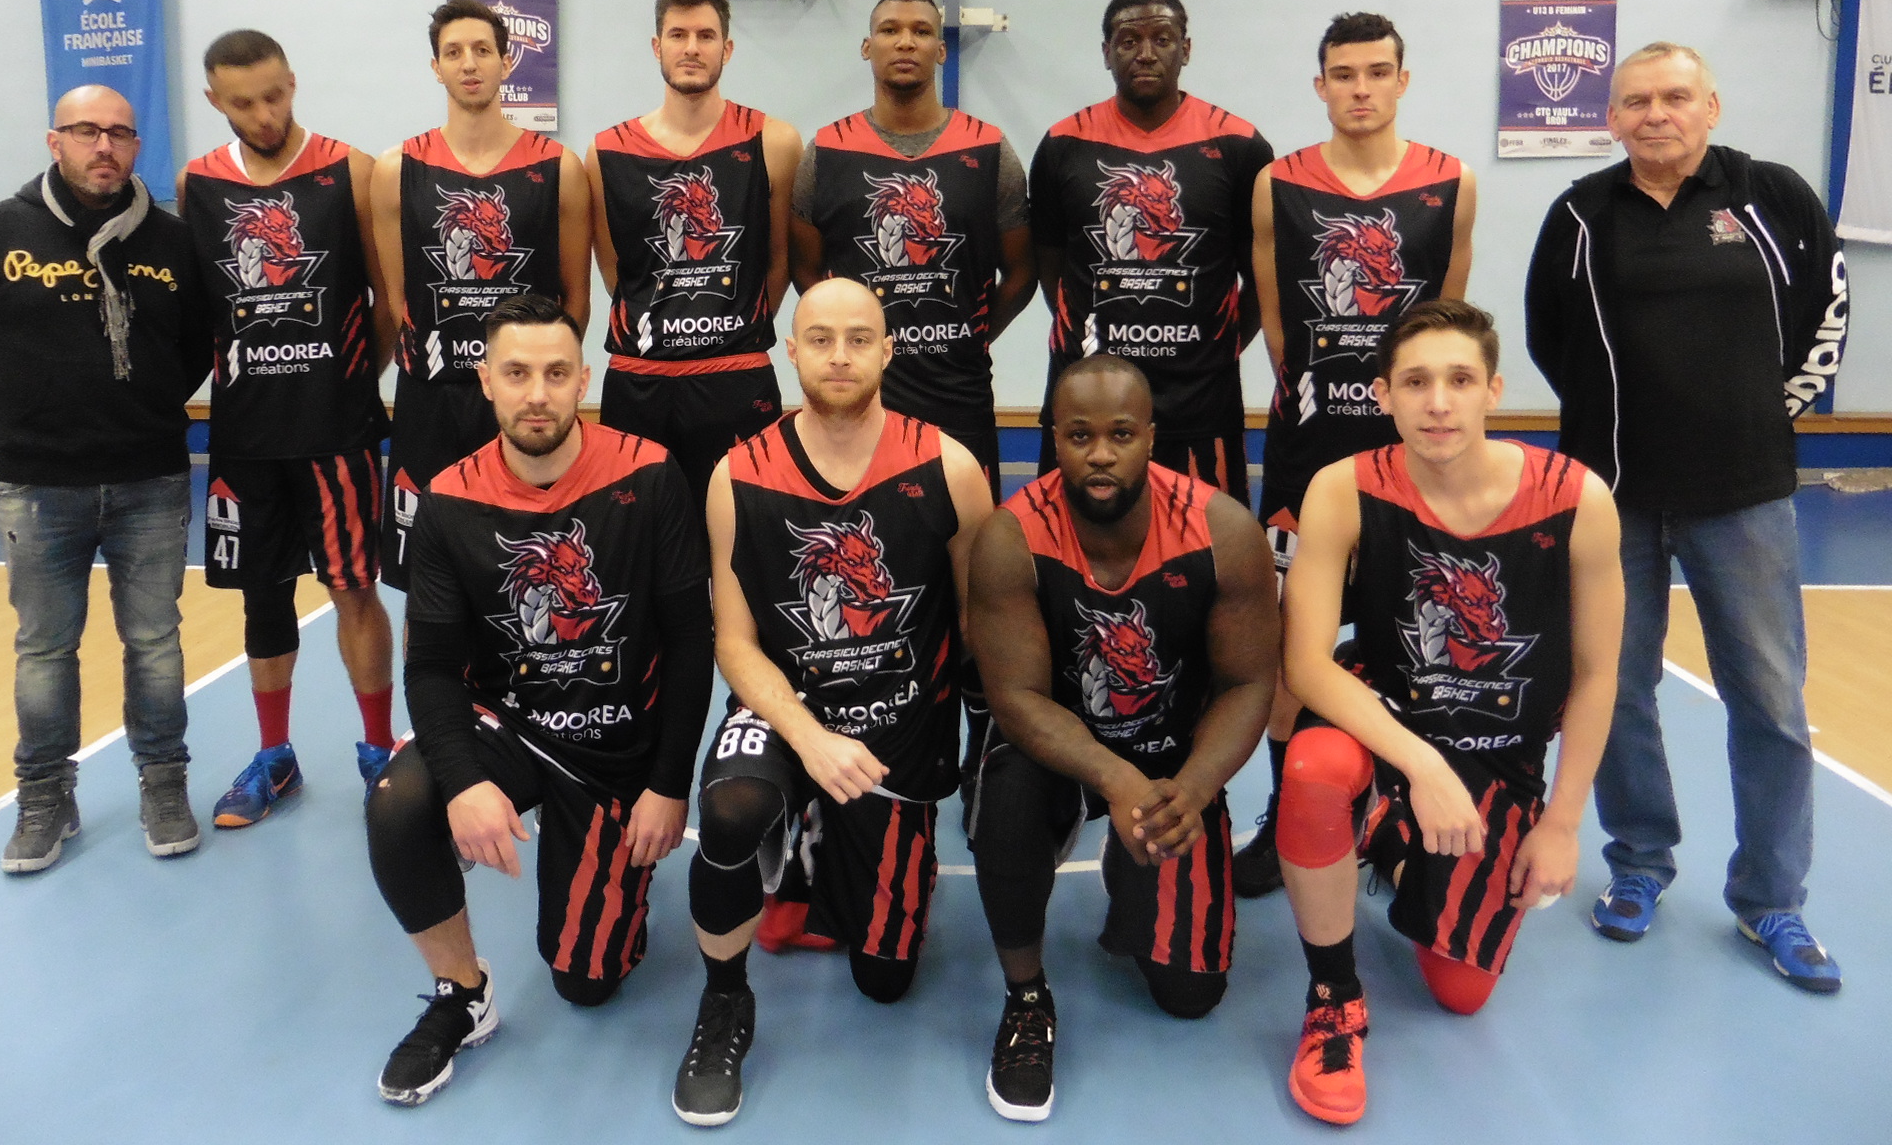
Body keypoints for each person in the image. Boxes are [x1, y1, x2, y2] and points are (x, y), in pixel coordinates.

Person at [1525, 41, 1849, 992]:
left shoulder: (1770, 197)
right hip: (1613, 499)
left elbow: (1824, 315)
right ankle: (1639, 863)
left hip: (1745, 498)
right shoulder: (1580, 212)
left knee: (1771, 702)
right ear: (1612, 118)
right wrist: (1610, 433)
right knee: (1616, 690)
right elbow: (1550, 337)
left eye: (1675, 97)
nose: (1656, 114)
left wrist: (1762, 416)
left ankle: (1771, 898)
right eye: (1636, 101)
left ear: (1711, 105)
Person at [1276, 300, 1621, 1125]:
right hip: (1386, 718)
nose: (1439, 403)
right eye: (1416, 382)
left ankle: (1390, 844)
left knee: (1460, 992)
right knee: (1314, 770)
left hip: (1501, 747)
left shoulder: (1576, 498)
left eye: (1460, 380)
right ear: (1384, 396)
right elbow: (1306, 663)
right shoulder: (1344, 488)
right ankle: (1333, 999)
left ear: (1493, 391)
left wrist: (1562, 824)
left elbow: (1598, 673)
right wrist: (1422, 764)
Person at [363, 293, 713, 1105]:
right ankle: (462, 994)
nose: (537, 394)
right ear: (486, 381)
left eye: (556, 374)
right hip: (510, 726)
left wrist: (668, 785)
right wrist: (464, 782)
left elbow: (690, 643)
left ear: (583, 380)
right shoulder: (451, 498)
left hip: (616, 746)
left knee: (586, 983)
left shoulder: (649, 474)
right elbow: (432, 667)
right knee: (397, 804)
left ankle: (601, 854)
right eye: (517, 374)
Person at [671, 278, 994, 1127]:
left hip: (898, 733)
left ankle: (827, 843)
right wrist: (809, 738)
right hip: (787, 715)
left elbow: (980, 627)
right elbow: (735, 643)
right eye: (820, 339)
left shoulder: (949, 467)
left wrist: (986, 756)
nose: (840, 356)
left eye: (858, 339)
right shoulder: (738, 474)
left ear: (889, 349)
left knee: (884, 977)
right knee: (732, 811)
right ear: (792, 351)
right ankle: (725, 999)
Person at [964, 355, 1279, 1122]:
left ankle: (1129, 866)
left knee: (1190, 994)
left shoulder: (1223, 531)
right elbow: (1015, 698)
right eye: (1079, 436)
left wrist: (1193, 789)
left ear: (1151, 437)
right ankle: (1026, 997)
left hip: (1172, 757)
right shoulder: (1011, 537)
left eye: (1120, 435)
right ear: (1053, 439)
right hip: (1058, 746)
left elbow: (1247, 685)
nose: (1100, 454)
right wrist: (1112, 779)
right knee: (1004, 802)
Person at [0, 84, 213, 872]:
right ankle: (45, 796)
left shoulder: (171, 241)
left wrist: (152, 403)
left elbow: (199, 341)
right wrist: (9, 412)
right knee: (45, 649)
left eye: (120, 133)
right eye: (87, 131)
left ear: (135, 147)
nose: (105, 146)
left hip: (150, 478)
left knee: (154, 642)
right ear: (54, 141)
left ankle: (164, 783)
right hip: (35, 484)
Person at [1233, 11, 1477, 899]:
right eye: (1344, 74)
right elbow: (1275, 323)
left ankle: (1405, 816)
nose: (1361, 89)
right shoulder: (1277, 184)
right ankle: (1284, 817)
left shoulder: (1452, 181)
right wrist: (1322, 397)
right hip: (1306, 454)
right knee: (1292, 643)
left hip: (1411, 461)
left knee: (1417, 639)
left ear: (1402, 81)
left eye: (1378, 72)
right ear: (1321, 85)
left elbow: (1445, 329)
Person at [179, 30, 398, 825]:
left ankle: (379, 750)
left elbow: (389, 302)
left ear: (293, 82)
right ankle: (276, 757)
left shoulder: (350, 169)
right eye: (244, 102)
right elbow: (201, 311)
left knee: (354, 588)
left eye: (275, 95)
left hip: (335, 431)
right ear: (216, 101)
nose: (265, 114)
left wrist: (349, 384)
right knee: (261, 599)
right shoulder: (199, 183)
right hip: (245, 436)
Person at [372, 0, 592, 593]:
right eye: (453, 52)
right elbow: (397, 299)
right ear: (436, 67)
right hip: (431, 401)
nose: (469, 63)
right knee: (426, 585)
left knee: (531, 572)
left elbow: (576, 300)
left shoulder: (559, 167)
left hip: (523, 403)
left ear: (506, 62)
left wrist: (535, 378)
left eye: (482, 50)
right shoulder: (396, 170)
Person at [789, 0, 1037, 497]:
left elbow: (1022, 272)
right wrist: (853, 345)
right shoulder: (826, 152)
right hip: (860, 400)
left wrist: (975, 336)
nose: (905, 42)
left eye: (921, 32)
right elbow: (805, 270)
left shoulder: (989, 149)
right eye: (890, 30)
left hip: (960, 395)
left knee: (970, 542)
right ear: (867, 47)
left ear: (941, 50)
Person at [1028, 0, 1273, 501]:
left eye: (1162, 39)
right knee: (1072, 542)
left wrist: (1215, 349)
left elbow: (1261, 279)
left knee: (1209, 544)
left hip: (1200, 405)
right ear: (1106, 53)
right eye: (1128, 41)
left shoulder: (1240, 146)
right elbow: (1052, 268)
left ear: (1186, 49)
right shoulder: (1062, 145)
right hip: (1087, 404)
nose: (1145, 53)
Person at [586, 0, 803, 507]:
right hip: (639, 381)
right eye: (677, 35)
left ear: (727, 48)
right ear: (656, 46)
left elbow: (779, 263)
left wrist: (731, 327)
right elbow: (617, 271)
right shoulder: (606, 152)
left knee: (741, 536)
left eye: (705, 36)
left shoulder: (774, 141)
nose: (691, 48)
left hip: (737, 377)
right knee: (639, 540)